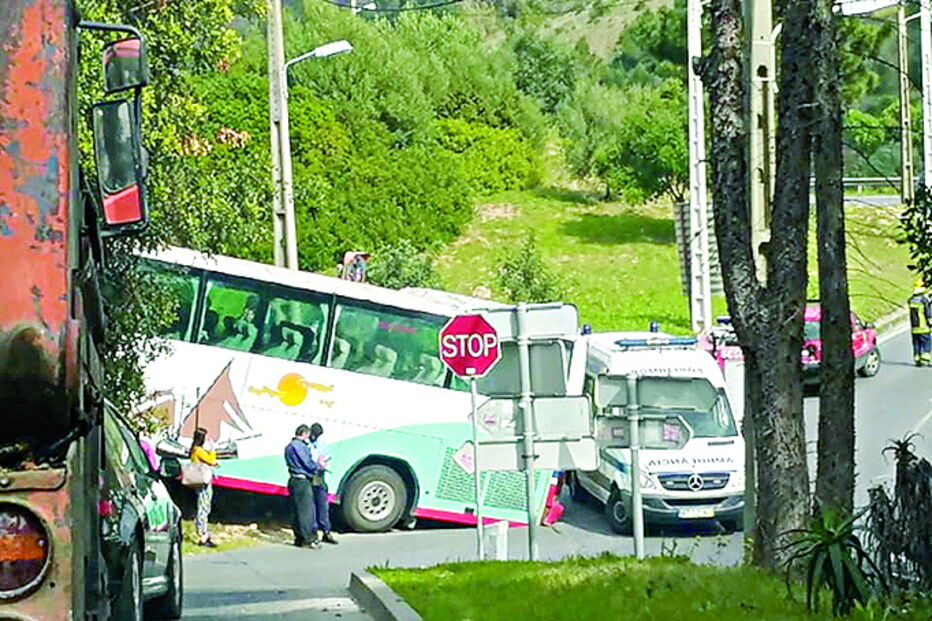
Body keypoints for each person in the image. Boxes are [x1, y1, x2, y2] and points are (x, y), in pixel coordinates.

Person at [285, 424, 320, 548]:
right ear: (304, 433)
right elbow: (307, 463)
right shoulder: (300, 446)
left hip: (293, 479)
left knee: (297, 510)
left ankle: (298, 537)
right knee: (306, 511)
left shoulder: (289, 446)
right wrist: (318, 466)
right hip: (302, 480)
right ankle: (307, 539)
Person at [309, 423, 337, 545]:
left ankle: (326, 530)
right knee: (312, 505)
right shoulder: (307, 444)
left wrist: (323, 462)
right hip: (310, 475)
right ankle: (314, 531)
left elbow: (326, 456)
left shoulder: (322, 443)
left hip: (319, 476)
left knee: (322, 505)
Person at [190, 427, 218, 547]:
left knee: (204, 506)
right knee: (204, 507)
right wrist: (213, 449)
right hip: (203, 481)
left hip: (200, 480)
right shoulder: (199, 450)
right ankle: (202, 534)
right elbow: (211, 460)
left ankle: (203, 532)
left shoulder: (194, 450)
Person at [909, 278, 932, 367]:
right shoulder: (923, 300)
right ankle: (925, 357)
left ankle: (917, 358)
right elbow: (928, 313)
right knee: (926, 342)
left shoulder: (911, 300)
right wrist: (930, 323)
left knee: (916, 343)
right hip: (923, 326)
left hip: (914, 328)